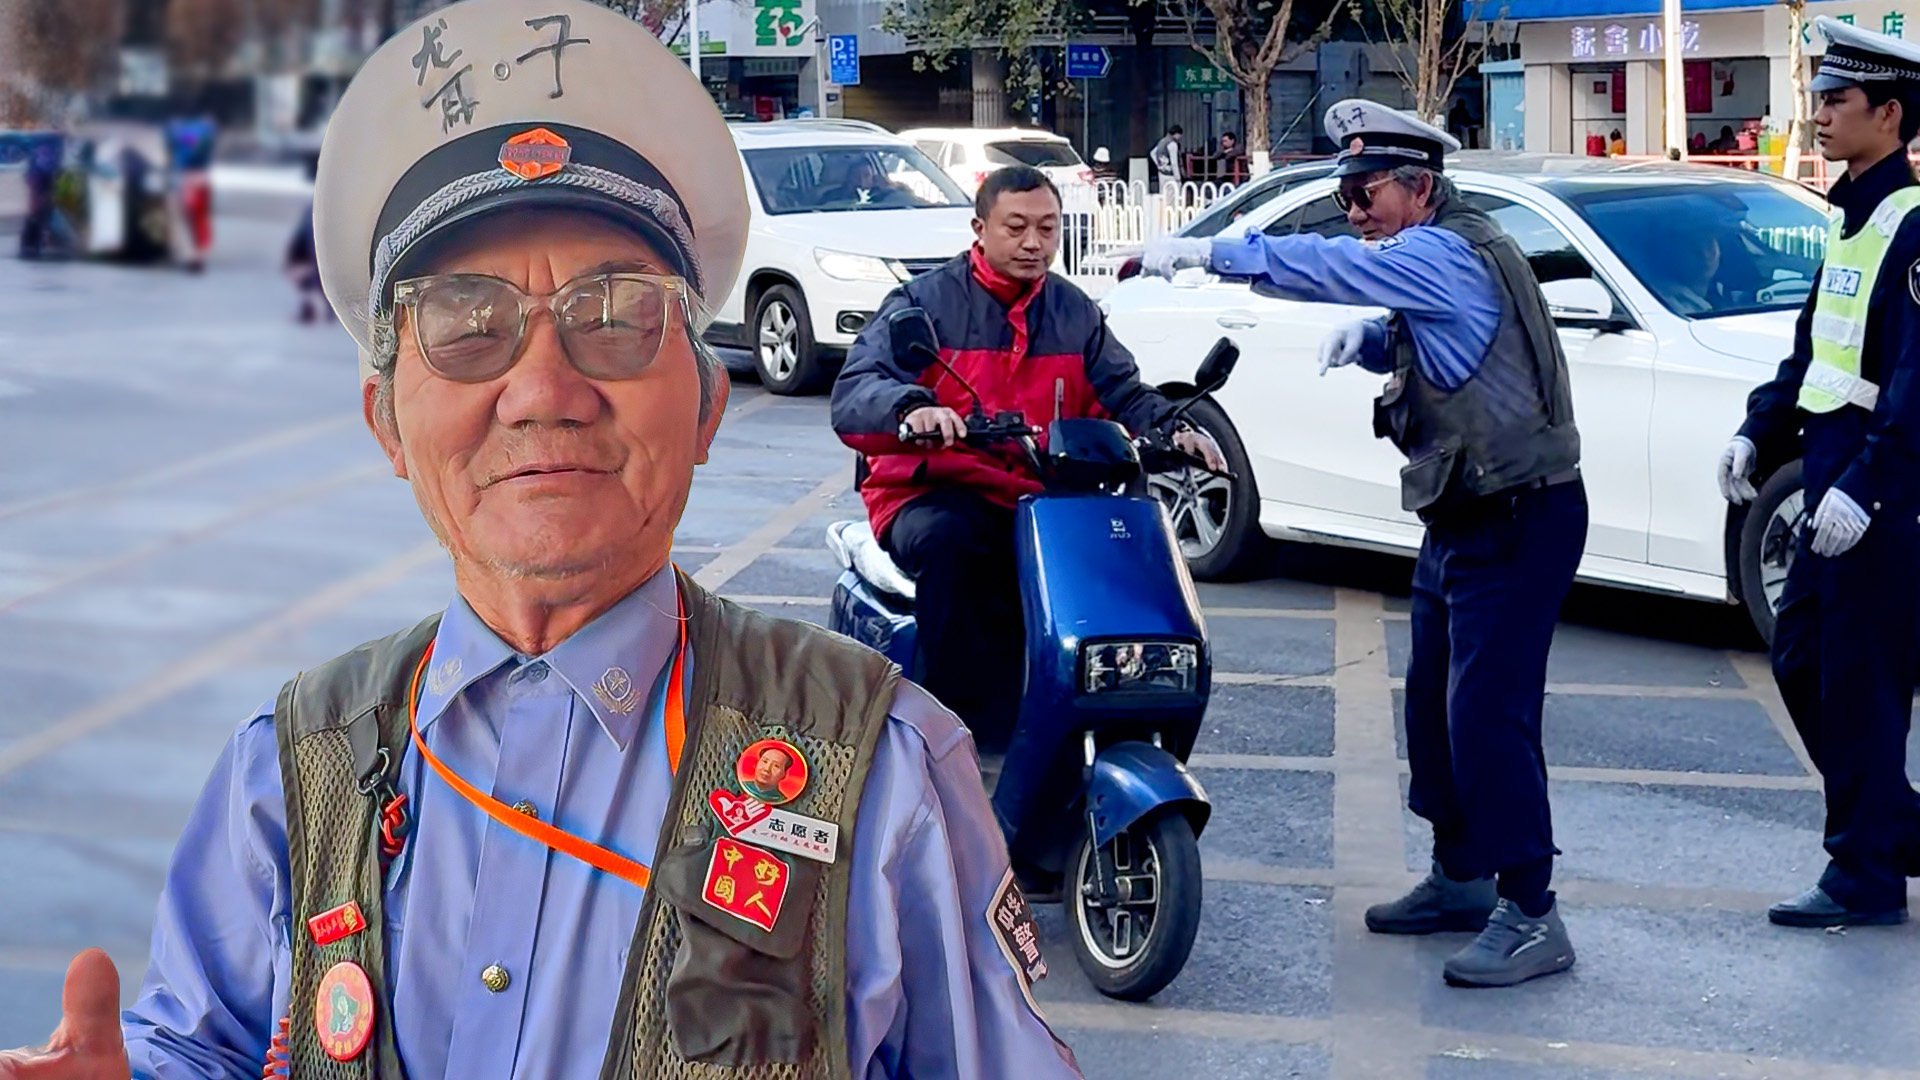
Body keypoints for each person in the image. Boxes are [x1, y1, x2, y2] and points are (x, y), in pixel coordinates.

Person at [0, 3, 1086, 1078]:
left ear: (708, 406)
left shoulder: (880, 770)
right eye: (466, 324)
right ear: (386, 422)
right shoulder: (288, 771)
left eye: (613, 314)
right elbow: (204, 1046)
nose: (542, 390)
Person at [1142, 99, 1587, 988]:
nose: (1353, 210)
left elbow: (1331, 266)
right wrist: (1380, 341)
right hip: (1466, 512)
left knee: (1487, 717)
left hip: (1516, 515)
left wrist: (1214, 252)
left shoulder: (1445, 248)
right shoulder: (1446, 250)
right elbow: (1451, 336)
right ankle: (1461, 875)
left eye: (1364, 190)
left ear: (1418, 187)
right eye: (1345, 192)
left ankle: (1533, 910)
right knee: (1433, 705)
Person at [829, 165, 1224, 774]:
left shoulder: (1074, 312)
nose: (1033, 243)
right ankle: (946, 740)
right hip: (935, 490)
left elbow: (1122, 390)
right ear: (980, 228)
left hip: (1044, 499)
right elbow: (857, 390)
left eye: (1047, 228)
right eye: (1016, 227)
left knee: (1109, 569)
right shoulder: (921, 306)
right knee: (958, 545)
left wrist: (1176, 428)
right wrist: (914, 407)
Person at [1717, 16, 1920, 930]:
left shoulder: (1912, 232)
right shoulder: (1851, 219)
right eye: (1819, 100)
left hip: (1886, 489)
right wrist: (1759, 430)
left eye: (1836, 102)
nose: (1820, 117)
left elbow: (1917, 384)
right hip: (1831, 473)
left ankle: (1864, 875)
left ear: (1890, 112)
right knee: (1802, 655)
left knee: (1861, 684)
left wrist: (1868, 491)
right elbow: (1813, 353)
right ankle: (1894, 828)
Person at [1150, 123, 1184, 194]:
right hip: (1170, 175)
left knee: (1163, 195)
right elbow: (1174, 163)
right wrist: (1178, 178)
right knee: (1172, 197)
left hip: (1161, 173)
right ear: (1177, 134)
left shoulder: (1162, 141)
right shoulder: (1173, 144)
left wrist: (1158, 164)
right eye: (1180, 136)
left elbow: (1152, 153)